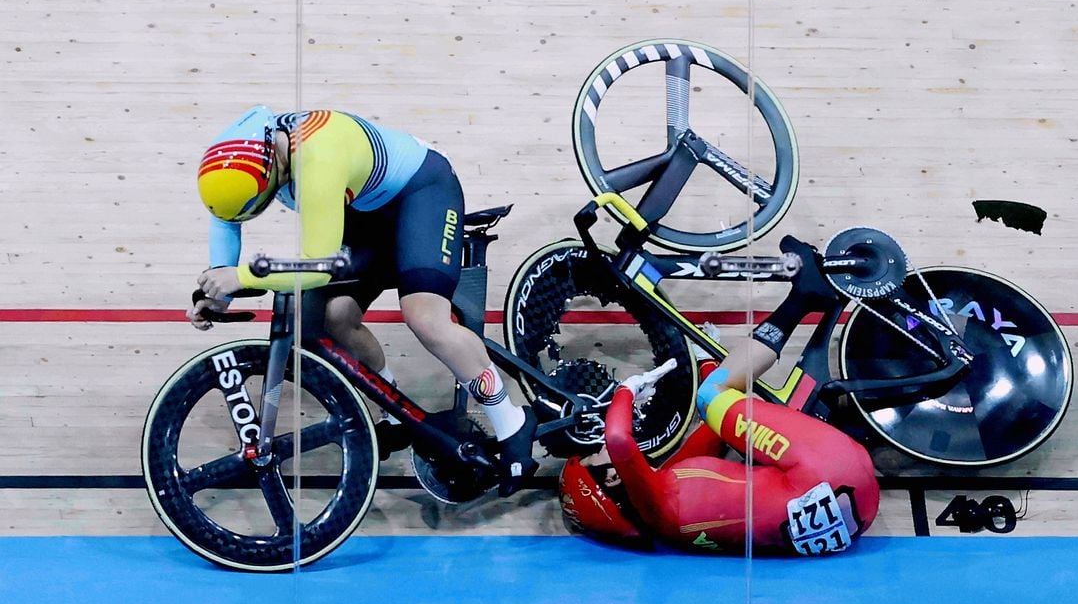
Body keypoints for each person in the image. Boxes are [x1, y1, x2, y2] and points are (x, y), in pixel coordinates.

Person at [188, 106, 537, 496]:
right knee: (333, 318)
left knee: (425, 317)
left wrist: (241, 276)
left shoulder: (318, 156)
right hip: (364, 214)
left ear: (274, 160)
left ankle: (511, 421)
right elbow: (226, 218)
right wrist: (218, 286)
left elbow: (317, 268)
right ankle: (394, 415)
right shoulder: (235, 158)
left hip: (422, 194)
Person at [559, 239, 880, 555]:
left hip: (858, 513)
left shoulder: (670, 509)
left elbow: (715, 432)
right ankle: (804, 295)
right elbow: (618, 438)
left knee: (730, 412)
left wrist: (705, 359)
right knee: (711, 396)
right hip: (828, 469)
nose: (597, 446)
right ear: (614, 477)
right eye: (592, 456)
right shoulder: (656, 502)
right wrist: (628, 390)